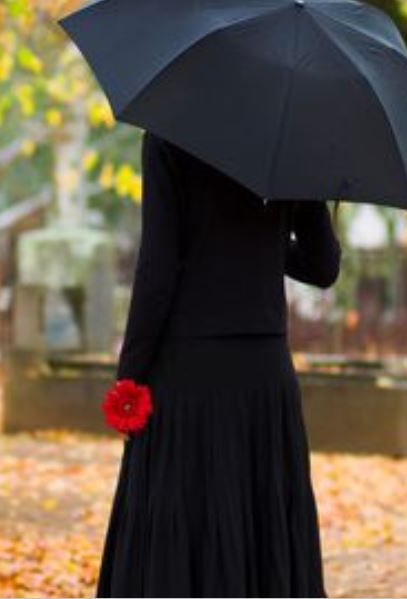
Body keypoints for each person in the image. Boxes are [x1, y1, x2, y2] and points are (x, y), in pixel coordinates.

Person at [96, 131, 341, 598]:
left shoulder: (170, 133)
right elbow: (323, 266)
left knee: (184, 525)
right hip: (263, 376)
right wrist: (257, 242)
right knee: (259, 524)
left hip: (189, 374)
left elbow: (158, 266)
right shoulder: (290, 138)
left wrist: (131, 371)